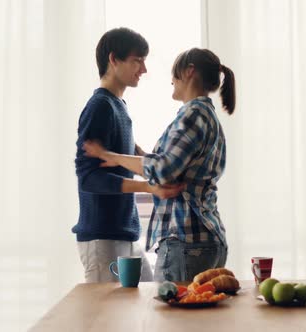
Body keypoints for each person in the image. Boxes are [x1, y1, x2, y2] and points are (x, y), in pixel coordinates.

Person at [83, 47, 236, 282]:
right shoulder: (206, 115)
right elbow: (177, 165)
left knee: (171, 318)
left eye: (174, 74)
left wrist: (110, 155)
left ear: (189, 72)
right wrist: (139, 152)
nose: (171, 80)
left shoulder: (193, 114)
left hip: (187, 242)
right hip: (205, 240)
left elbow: (163, 169)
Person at [73, 27, 184, 283]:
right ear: (114, 60)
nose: (143, 69)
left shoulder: (117, 106)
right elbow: (89, 178)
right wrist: (149, 187)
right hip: (103, 237)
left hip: (124, 234)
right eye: (137, 60)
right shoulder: (100, 106)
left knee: (147, 302)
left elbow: (124, 158)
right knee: (107, 320)